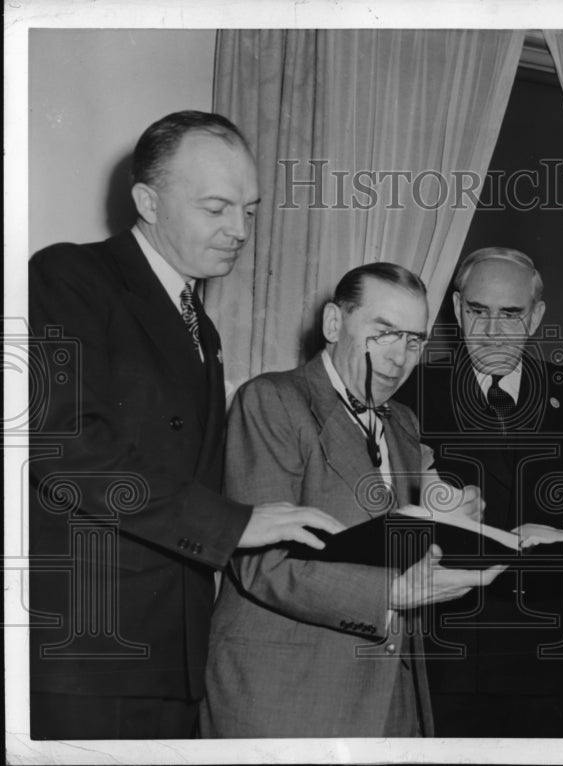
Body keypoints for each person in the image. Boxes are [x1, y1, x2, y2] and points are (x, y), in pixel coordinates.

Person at [28, 111, 343, 740]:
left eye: (250, 210)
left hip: (172, 655)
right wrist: (235, 523)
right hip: (94, 653)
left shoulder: (201, 324)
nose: (240, 230)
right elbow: (65, 450)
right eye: (217, 208)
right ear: (147, 201)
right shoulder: (70, 275)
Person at [200, 262, 503, 737]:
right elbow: (261, 565)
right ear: (334, 324)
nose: (399, 357)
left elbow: (404, 527)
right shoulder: (273, 400)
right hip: (283, 699)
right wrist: (392, 593)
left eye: (413, 340)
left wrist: (456, 516)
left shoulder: (402, 423)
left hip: (389, 704)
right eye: (383, 332)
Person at [396, 247, 563, 737]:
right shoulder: (412, 394)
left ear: (536, 316)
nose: (492, 331)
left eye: (511, 314)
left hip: (551, 658)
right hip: (448, 660)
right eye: (478, 311)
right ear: (457, 311)